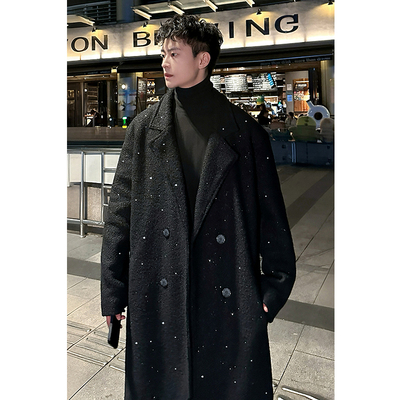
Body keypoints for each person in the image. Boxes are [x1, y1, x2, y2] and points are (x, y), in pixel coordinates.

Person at [101, 14, 296, 400]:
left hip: (229, 297)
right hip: (158, 290)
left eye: (174, 53)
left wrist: (271, 293)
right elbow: (120, 213)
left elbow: (272, 217)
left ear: (203, 59)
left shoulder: (246, 133)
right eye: (163, 54)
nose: (164, 62)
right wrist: (113, 290)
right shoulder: (143, 129)